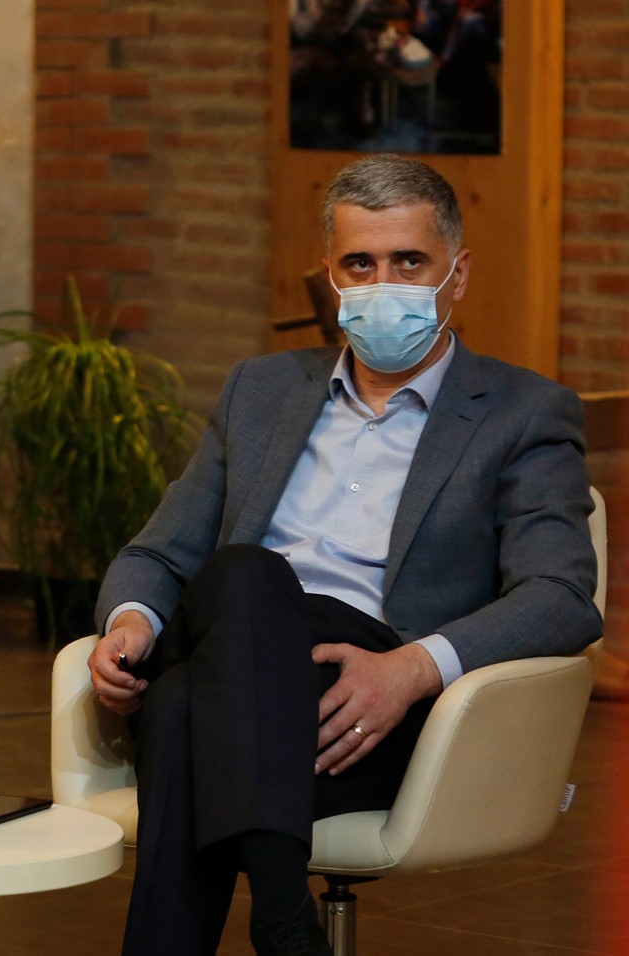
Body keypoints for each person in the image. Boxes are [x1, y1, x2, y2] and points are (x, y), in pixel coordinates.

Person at [90, 154, 600, 956]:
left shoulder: (524, 412)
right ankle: (283, 913)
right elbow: (161, 552)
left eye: (409, 261)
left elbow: (561, 596)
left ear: (458, 274)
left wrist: (412, 669)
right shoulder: (260, 390)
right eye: (360, 263)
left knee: (183, 708)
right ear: (330, 274)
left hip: (369, 708)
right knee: (247, 575)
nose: (382, 283)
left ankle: (272, 912)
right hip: (245, 644)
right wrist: (130, 622)